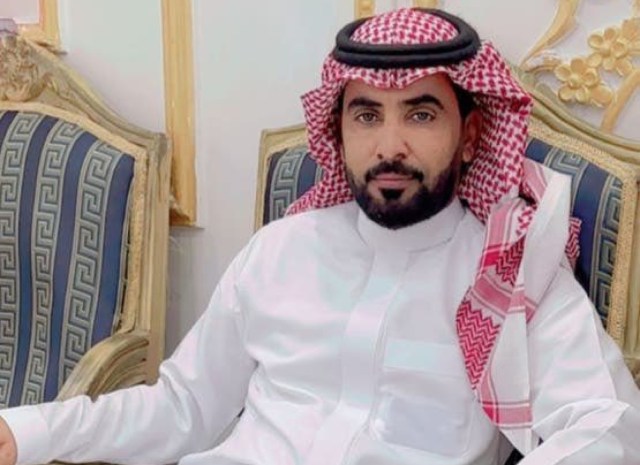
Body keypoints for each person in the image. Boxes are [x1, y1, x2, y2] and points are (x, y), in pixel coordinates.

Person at [1, 7, 640, 465]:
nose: (390, 146)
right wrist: (28, 433)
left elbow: (608, 426)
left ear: (471, 136)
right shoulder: (280, 249)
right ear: (337, 132)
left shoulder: (513, 274)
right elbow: (182, 408)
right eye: (366, 115)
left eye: (421, 114)